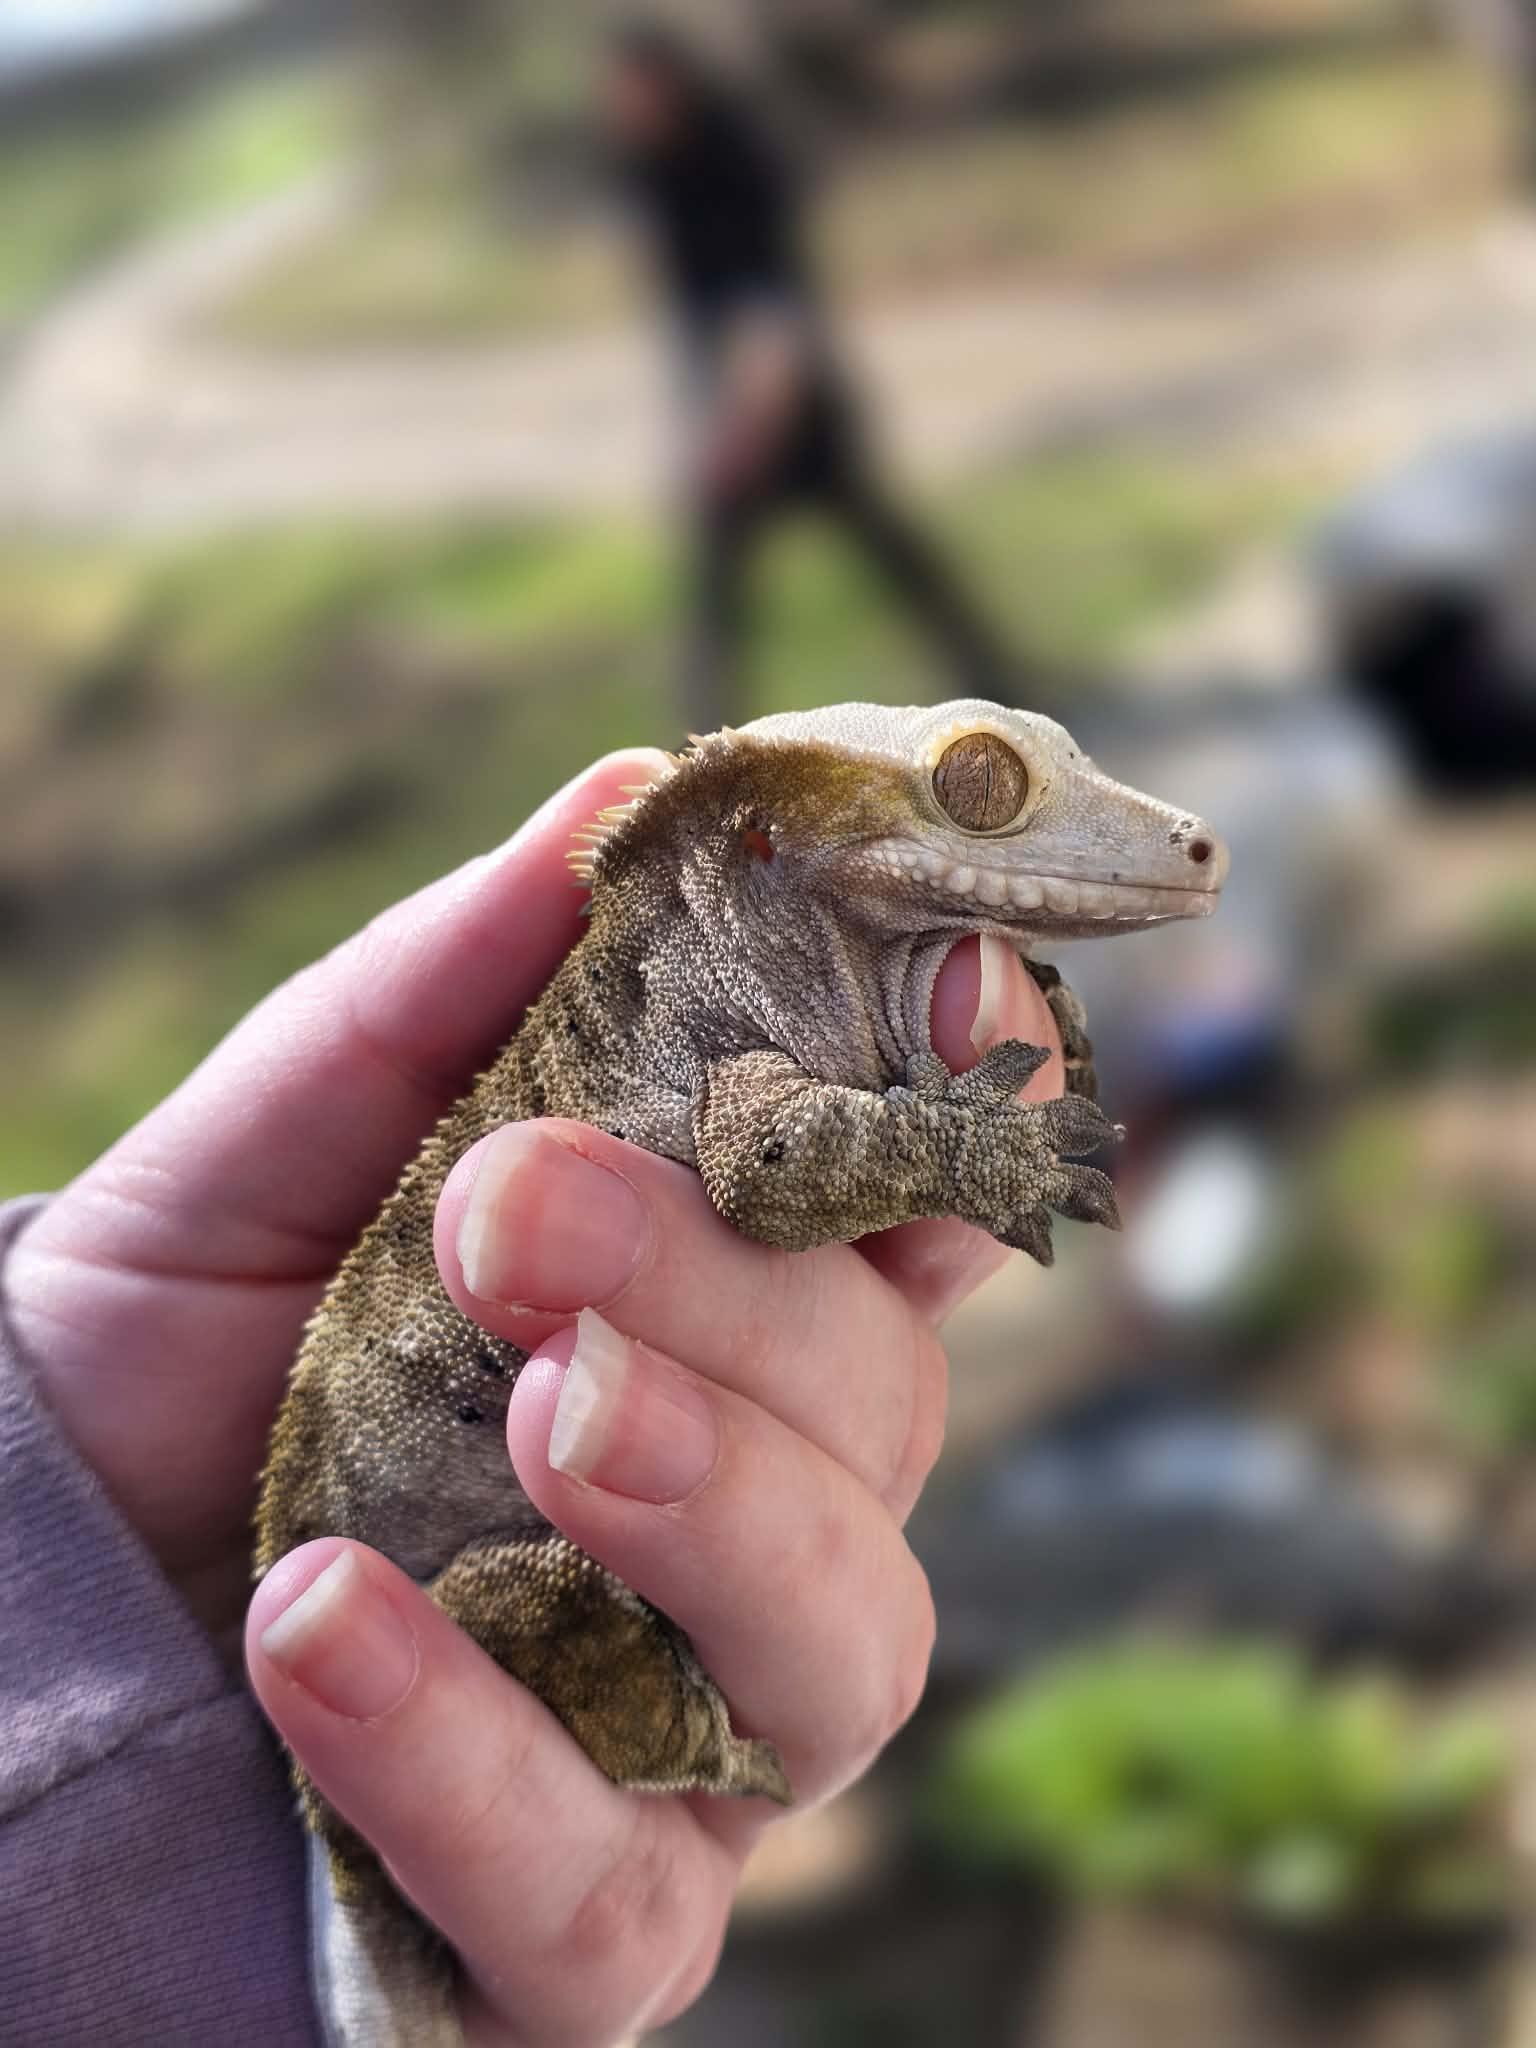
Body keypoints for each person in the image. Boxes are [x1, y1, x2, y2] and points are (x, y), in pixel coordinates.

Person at [1, 747, 1065, 2045]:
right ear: (776, 838)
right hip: (413, 1601)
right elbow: (774, 1159)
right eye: (982, 788)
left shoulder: (761, 970)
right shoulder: (706, 975)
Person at [601, 23, 1018, 733]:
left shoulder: (735, 162)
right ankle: (701, 743)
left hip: (788, 407)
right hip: (728, 404)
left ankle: (995, 682)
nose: (618, 107)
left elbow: (772, 314)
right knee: (719, 593)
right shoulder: (652, 171)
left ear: (669, 82)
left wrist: (742, 430)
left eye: (630, 90)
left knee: (882, 546)